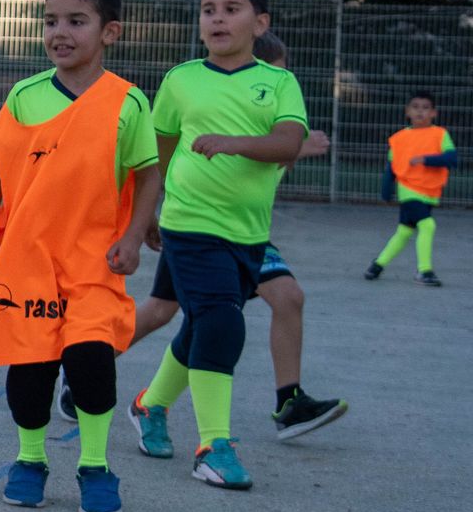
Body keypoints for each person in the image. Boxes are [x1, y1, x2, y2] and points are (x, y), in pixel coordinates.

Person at [56, 32, 347, 441]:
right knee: (230, 313)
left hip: (245, 230)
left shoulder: (280, 100)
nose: (276, 79)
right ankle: (243, 422)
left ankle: (124, 387)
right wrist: (146, 215)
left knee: (169, 311)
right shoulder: (206, 89)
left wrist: (289, 149)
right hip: (198, 225)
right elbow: (168, 153)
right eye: (275, 70)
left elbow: (269, 162)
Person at [0, 0, 161, 512]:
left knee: (91, 361)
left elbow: (148, 173)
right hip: (26, 259)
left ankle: (95, 466)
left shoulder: (127, 102)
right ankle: (30, 459)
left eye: (77, 21)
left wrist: (132, 235)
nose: (61, 32)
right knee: (29, 369)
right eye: (51, 20)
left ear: (110, 32)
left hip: (94, 260)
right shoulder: (25, 96)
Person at [129, 0, 306, 491]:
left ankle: (149, 405)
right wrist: (147, 214)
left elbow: (289, 143)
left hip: (249, 234)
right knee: (222, 323)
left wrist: (233, 142)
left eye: (232, 9)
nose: (218, 18)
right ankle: (213, 445)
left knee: (197, 327)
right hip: (189, 225)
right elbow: (155, 154)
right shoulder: (181, 79)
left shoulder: (278, 83)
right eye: (209, 9)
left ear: (260, 22)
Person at [366, 92, 457, 286]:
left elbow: (452, 159)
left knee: (404, 232)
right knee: (427, 225)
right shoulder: (399, 138)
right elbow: (391, 168)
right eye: (415, 107)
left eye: (425, 108)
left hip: (430, 191)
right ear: (407, 111)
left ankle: (378, 265)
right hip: (408, 189)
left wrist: (426, 159)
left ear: (434, 113)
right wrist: (386, 190)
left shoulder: (440, 134)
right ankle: (424, 271)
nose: (420, 111)